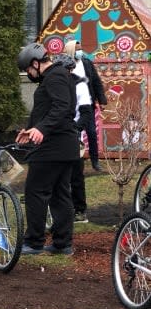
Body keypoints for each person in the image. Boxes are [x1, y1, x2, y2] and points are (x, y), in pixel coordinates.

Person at [16, 43, 79, 256]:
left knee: (36, 191)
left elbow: (62, 106)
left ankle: (34, 241)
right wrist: (30, 130)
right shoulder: (56, 76)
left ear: (35, 63)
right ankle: (62, 243)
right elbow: (48, 109)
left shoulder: (56, 76)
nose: (29, 74)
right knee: (60, 194)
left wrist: (42, 129)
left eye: (28, 70)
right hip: (62, 146)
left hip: (53, 146)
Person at [60, 45, 95, 223]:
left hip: (74, 135)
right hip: (56, 136)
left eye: (69, 70)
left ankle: (80, 210)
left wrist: (75, 128)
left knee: (76, 175)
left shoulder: (80, 84)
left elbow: (87, 112)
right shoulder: (54, 83)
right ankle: (62, 209)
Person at [71, 40, 108, 171]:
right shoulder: (66, 65)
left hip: (88, 105)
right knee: (75, 134)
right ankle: (76, 161)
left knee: (92, 133)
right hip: (72, 107)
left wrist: (102, 100)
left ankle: (95, 161)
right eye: (77, 50)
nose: (80, 52)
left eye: (81, 49)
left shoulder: (87, 63)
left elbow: (96, 82)